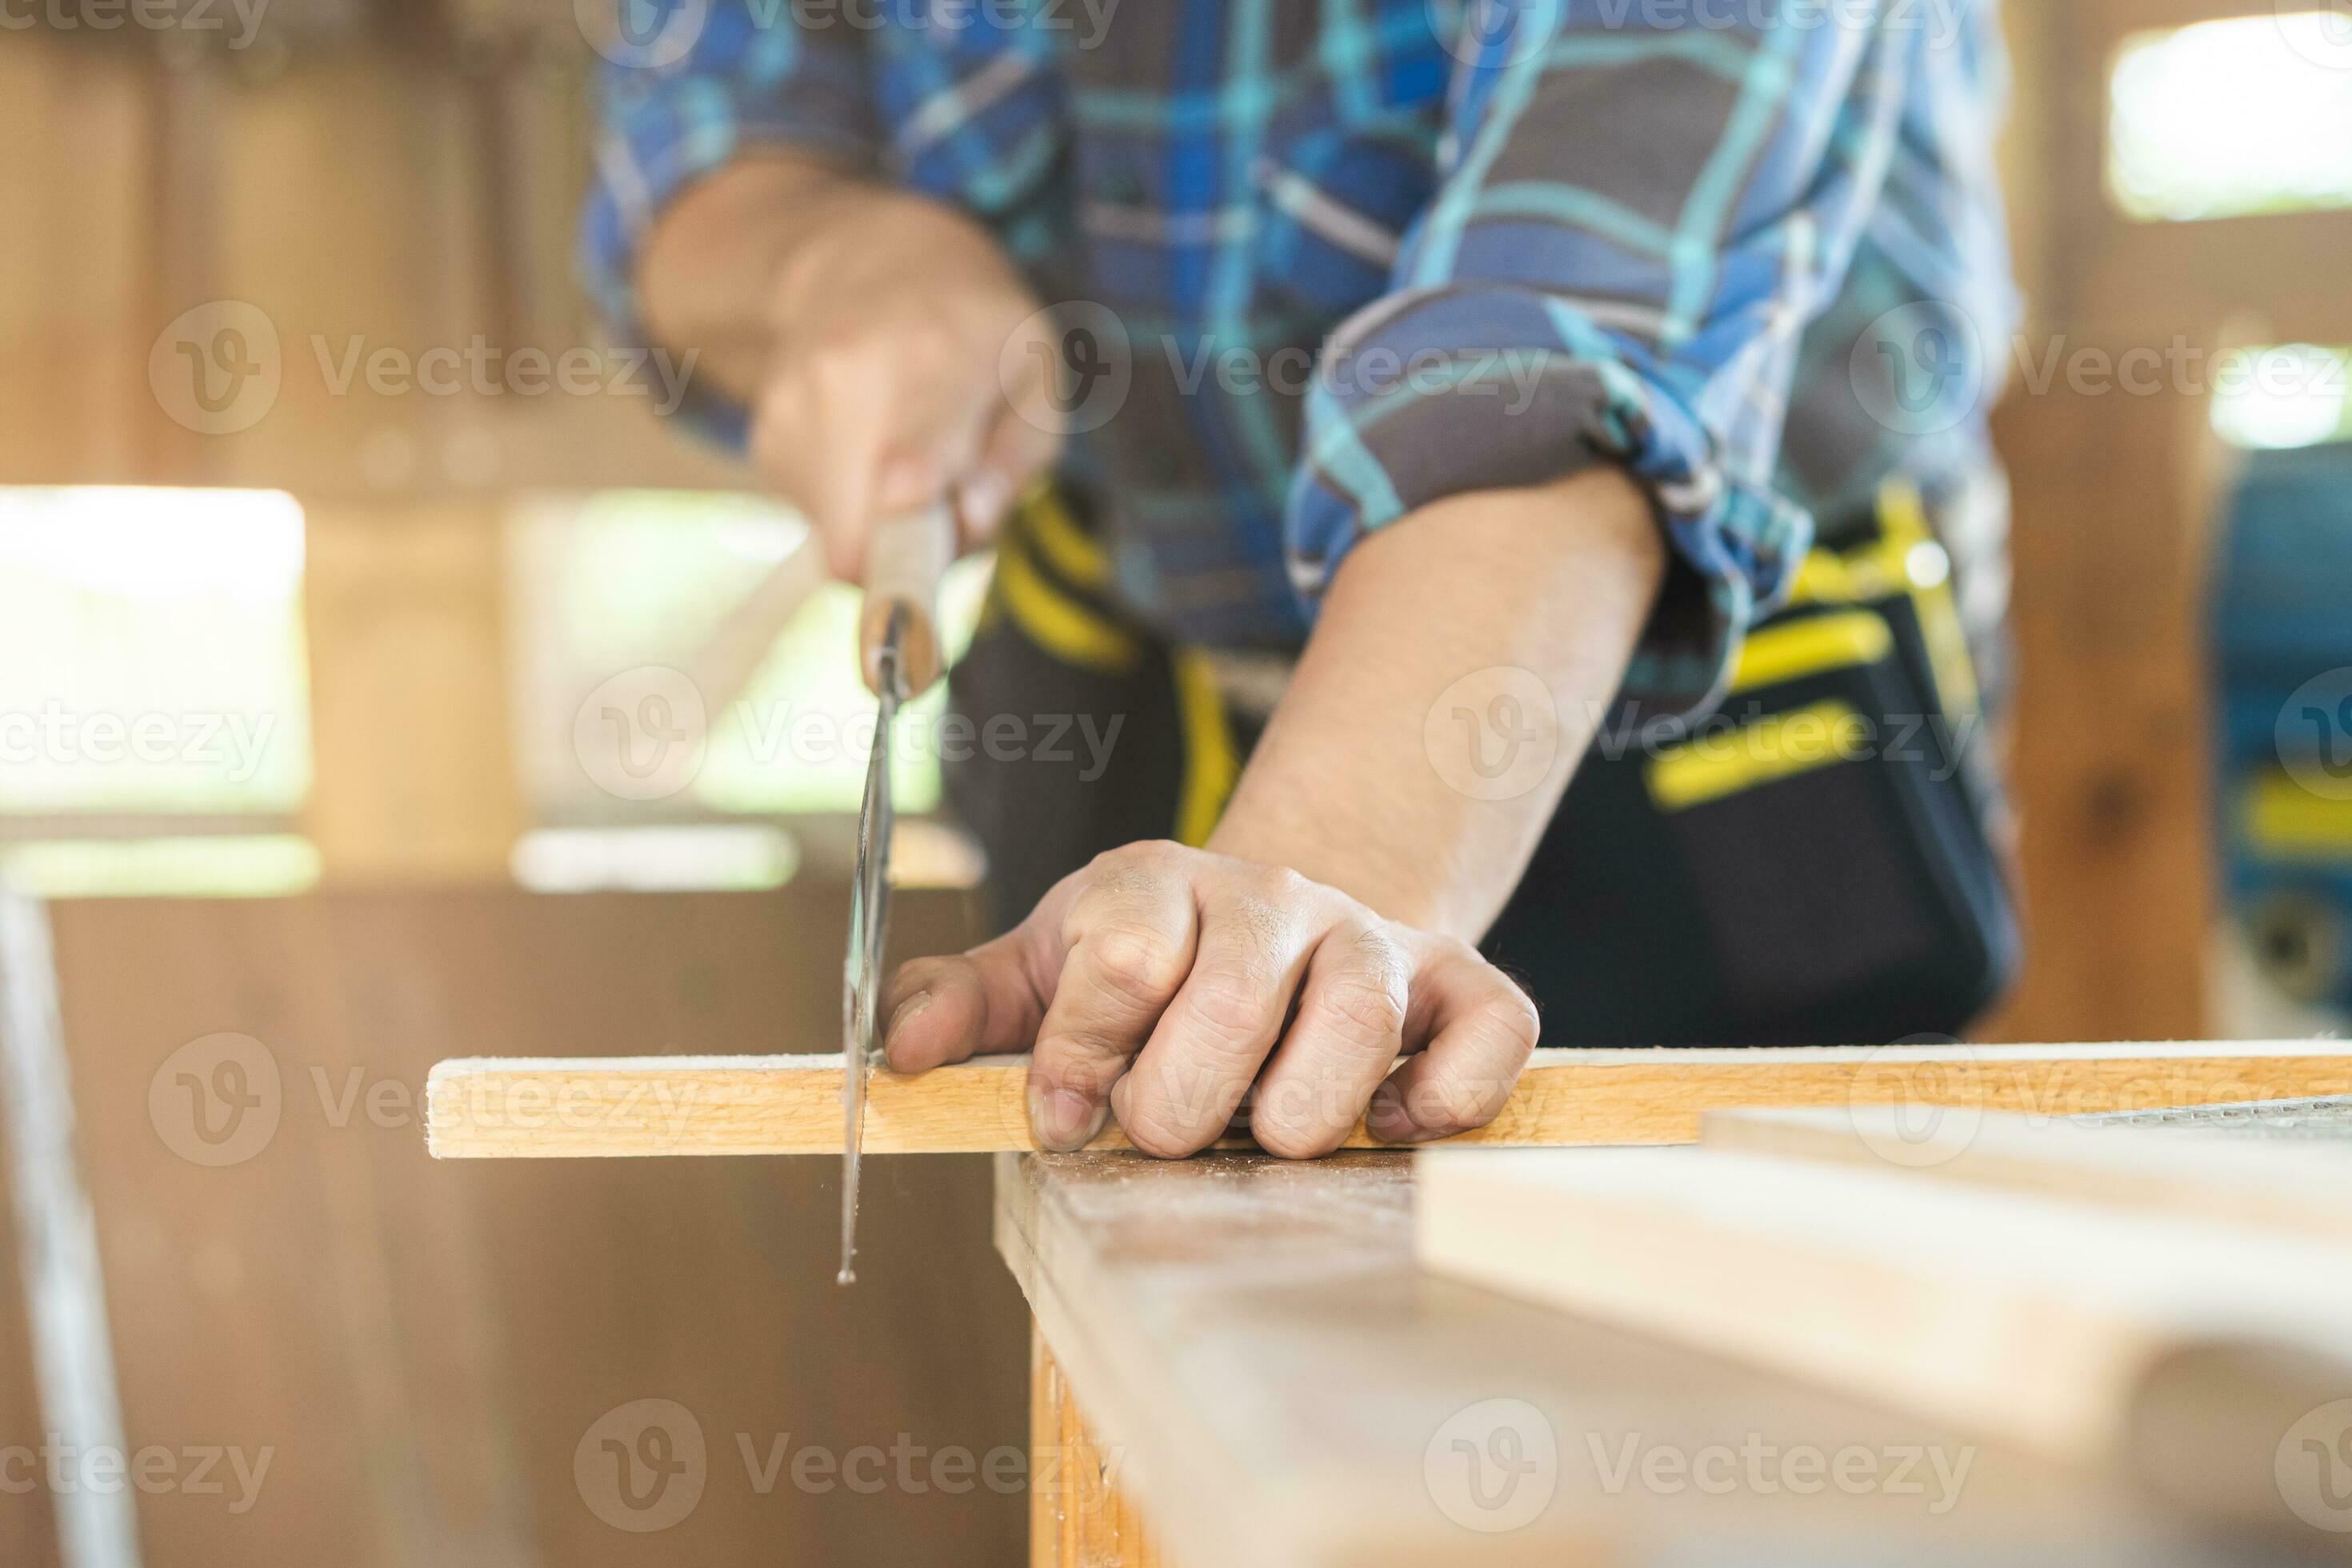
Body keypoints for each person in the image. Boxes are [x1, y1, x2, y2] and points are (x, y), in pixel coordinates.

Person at [584, 0, 2021, 1158]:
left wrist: (1305, 924)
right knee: (1166, 1285)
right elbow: (713, 127)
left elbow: (1565, 372)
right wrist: (834, 258)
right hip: (1159, 648)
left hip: (1667, 657)